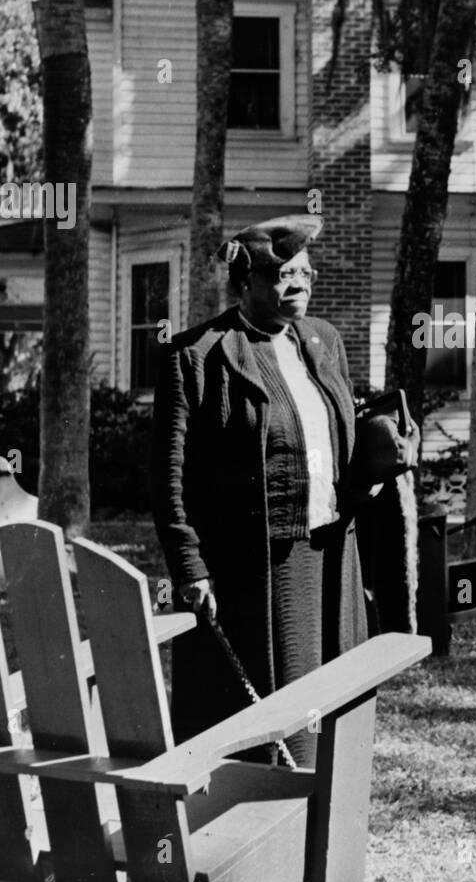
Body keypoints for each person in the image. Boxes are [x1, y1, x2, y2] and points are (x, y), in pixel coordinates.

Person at [150, 214, 368, 766]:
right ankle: (271, 829)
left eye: (305, 273)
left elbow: (339, 443)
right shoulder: (197, 357)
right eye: (281, 275)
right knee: (279, 717)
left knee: (337, 694)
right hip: (260, 564)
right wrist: (190, 567)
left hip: (334, 552)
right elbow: (169, 478)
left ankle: (324, 821)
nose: (298, 285)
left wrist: (382, 453)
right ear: (243, 282)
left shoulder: (323, 341)